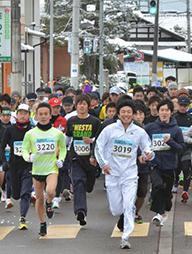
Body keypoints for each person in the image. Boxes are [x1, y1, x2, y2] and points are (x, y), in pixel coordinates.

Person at [95, 100, 154, 249]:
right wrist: (103, 164)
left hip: (130, 174)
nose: (126, 115)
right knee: (116, 210)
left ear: (133, 114)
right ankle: (126, 213)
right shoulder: (110, 129)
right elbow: (98, 147)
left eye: (129, 112)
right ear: (119, 114)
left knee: (128, 204)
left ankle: (125, 237)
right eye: (123, 112)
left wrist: (148, 154)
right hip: (112, 174)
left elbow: (148, 147)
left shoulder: (139, 131)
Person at [22, 102, 67, 236]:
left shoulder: (57, 133)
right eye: (40, 114)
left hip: (51, 168)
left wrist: (61, 159)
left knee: (51, 191)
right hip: (37, 170)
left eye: (45, 114)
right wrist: (28, 157)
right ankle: (42, 223)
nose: (43, 117)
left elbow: (63, 149)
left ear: (50, 115)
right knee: (39, 198)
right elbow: (24, 150)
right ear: (35, 115)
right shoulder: (30, 134)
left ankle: (50, 203)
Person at [144, 99, 185, 226]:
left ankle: (165, 205)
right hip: (154, 164)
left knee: (166, 192)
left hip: (170, 166)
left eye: (167, 110)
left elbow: (181, 148)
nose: (164, 113)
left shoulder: (176, 130)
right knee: (157, 186)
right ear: (158, 111)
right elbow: (143, 143)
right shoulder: (150, 128)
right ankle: (159, 213)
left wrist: (170, 142)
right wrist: (145, 154)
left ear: (171, 112)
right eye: (162, 110)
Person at [65, 94, 103, 226]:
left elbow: (101, 141)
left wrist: (91, 141)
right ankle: (80, 212)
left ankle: (82, 206)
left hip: (91, 159)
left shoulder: (95, 122)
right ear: (76, 105)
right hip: (76, 158)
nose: (81, 106)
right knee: (78, 182)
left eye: (84, 104)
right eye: (79, 103)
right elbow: (67, 139)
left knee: (88, 186)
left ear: (88, 106)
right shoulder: (71, 121)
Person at [0, 104, 34, 230]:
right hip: (14, 165)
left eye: (25, 113)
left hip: (28, 165)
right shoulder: (10, 130)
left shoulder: (32, 130)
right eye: (20, 113)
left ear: (29, 115)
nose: (23, 115)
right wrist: (4, 161)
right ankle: (16, 197)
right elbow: (1, 147)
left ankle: (23, 217)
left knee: (26, 192)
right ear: (16, 114)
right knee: (16, 195)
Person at [173, 96, 192, 197]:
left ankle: (185, 191)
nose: (182, 107)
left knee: (186, 168)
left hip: (187, 147)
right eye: (181, 105)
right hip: (175, 147)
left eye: (185, 105)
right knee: (176, 168)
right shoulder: (173, 118)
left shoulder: (191, 118)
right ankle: (175, 182)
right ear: (177, 105)